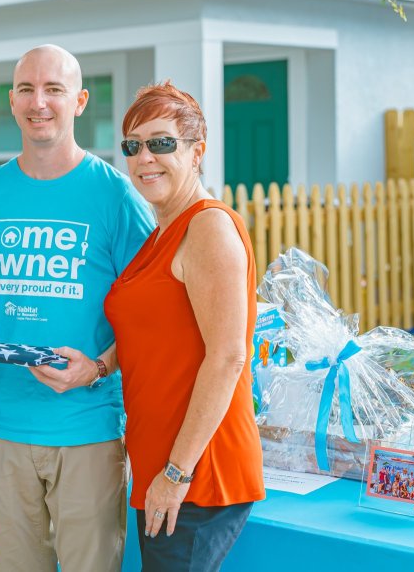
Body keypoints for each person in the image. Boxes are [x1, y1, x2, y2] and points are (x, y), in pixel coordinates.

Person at [0, 45, 155, 571]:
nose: (40, 102)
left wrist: (98, 367)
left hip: (87, 426)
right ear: (12, 102)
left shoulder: (116, 198)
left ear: (79, 101)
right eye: (28, 90)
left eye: (54, 89)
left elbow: (151, 318)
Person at [103, 81, 266, 571]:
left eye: (161, 142)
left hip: (200, 472)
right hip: (164, 464)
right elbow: (155, 332)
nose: (144, 157)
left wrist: (176, 472)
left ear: (198, 150)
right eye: (133, 145)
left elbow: (228, 356)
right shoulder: (161, 232)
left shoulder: (208, 227)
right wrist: (96, 366)